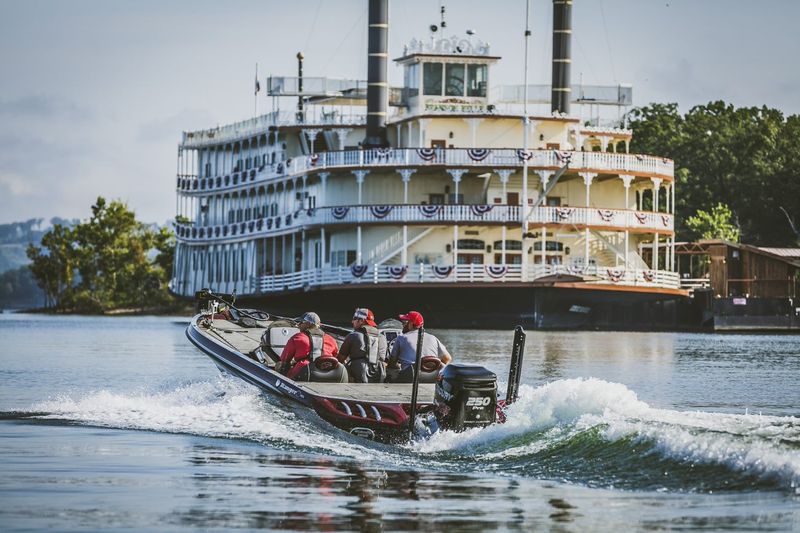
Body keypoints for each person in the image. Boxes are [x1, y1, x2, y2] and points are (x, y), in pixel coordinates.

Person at [387, 311, 451, 378]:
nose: (403, 325)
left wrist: (398, 366)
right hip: (432, 377)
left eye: (404, 322)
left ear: (411, 324)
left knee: (390, 371)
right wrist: (437, 370)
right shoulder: (433, 337)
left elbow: (391, 364)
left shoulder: (401, 338)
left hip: (411, 377)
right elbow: (447, 359)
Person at [277, 311, 339, 381]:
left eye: (301, 322)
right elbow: (337, 359)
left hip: (305, 374)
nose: (299, 325)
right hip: (328, 375)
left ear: (308, 324)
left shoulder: (297, 338)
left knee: (279, 364)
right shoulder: (332, 339)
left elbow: (284, 360)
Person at [337, 308, 387, 383]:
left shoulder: (353, 336)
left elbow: (340, 359)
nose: (352, 321)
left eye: (354, 319)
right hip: (379, 376)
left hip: (358, 377)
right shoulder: (383, 338)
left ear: (361, 321)